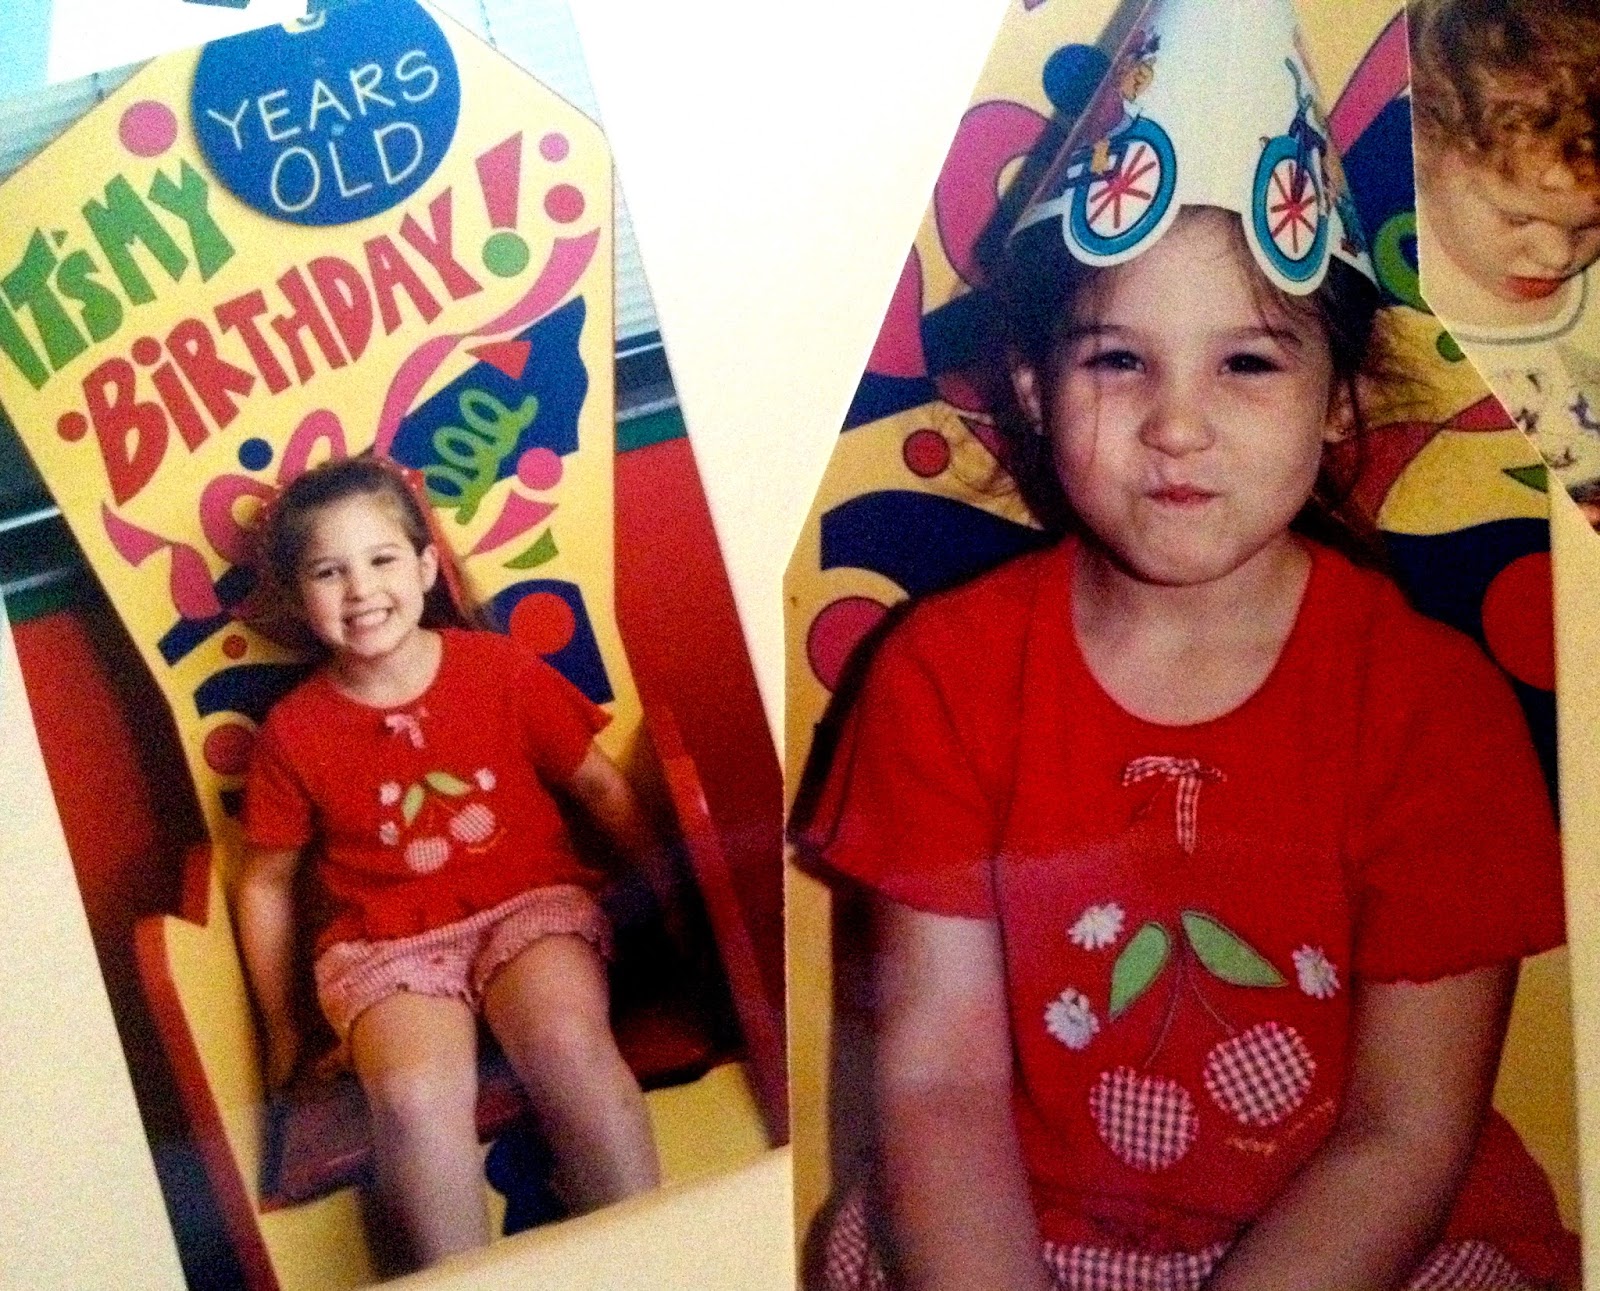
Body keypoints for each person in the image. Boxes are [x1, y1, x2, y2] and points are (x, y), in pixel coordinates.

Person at [795, 200, 1577, 1291]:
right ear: (1035, 386)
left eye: (1246, 362)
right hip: (1024, 1228)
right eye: (1119, 359)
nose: (1176, 425)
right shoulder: (940, 676)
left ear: (1338, 397)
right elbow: (940, 1088)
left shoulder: (1434, 709)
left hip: (1366, 1246)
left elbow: (1403, 1134)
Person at [235, 455, 675, 1268]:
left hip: (528, 904)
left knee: (565, 1041)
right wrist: (282, 1028)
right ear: (297, 599)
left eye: (381, 559)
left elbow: (602, 789)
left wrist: (673, 900)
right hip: (387, 948)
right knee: (411, 1095)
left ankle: (649, 1261)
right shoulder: (293, 732)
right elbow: (264, 884)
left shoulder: (498, 669)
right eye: (329, 572)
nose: (360, 589)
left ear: (426, 566)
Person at [1409, 0, 1600, 519]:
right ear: (1422, 153)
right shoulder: (1389, 298)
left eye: (1590, 225)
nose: (1557, 256)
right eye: (1518, 219)